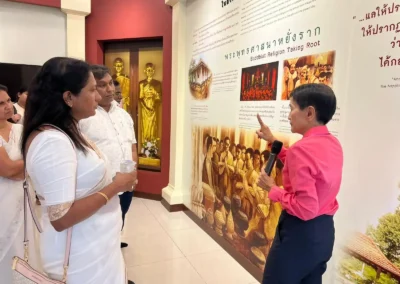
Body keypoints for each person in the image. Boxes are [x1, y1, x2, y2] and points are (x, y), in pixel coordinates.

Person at [21, 57, 137, 284]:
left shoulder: (67, 129)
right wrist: (115, 187)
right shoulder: (51, 141)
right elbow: (61, 218)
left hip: (93, 245)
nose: (99, 95)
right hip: (79, 255)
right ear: (68, 97)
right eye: (93, 89)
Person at [256, 83, 343, 284]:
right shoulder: (333, 143)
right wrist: (272, 140)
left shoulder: (302, 150)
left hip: (298, 237)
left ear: (310, 113)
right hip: (323, 235)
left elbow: (306, 209)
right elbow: (304, 169)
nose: (288, 115)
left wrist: (272, 188)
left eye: (291, 108)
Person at [79, 65, 138, 251]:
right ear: (91, 89)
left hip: (126, 186)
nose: (110, 89)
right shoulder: (83, 118)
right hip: (100, 188)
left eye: (111, 83)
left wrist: (134, 174)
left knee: (119, 221)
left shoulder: (124, 115)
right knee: (99, 231)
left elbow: (132, 146)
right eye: (102, 85)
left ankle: (114, 250)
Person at [0, 84, 39, 283]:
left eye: (8, 101)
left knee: (26, 241)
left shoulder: (20, 129)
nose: (8, 106)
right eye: (1, 103)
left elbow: (36, 160)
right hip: (2, 199)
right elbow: (6, 170)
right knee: (6, 243)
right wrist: (25, 166)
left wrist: (19, 168)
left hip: (24, 195)